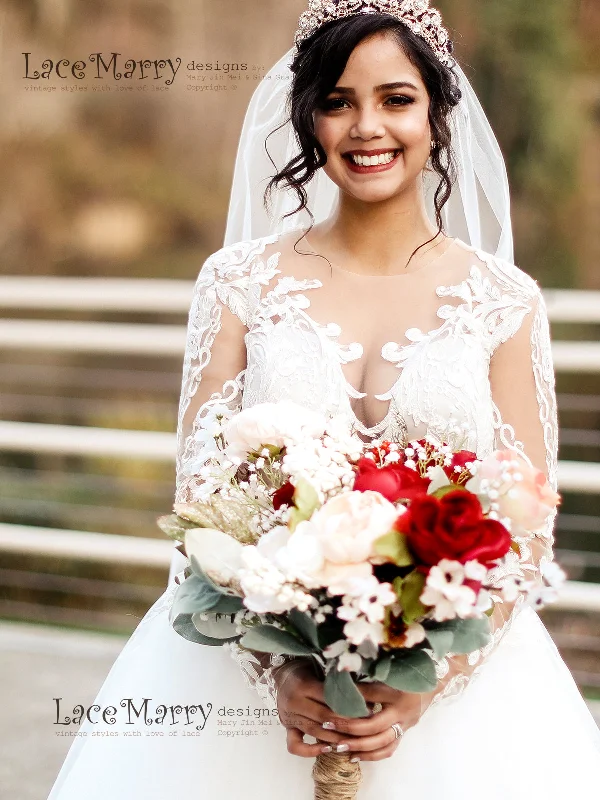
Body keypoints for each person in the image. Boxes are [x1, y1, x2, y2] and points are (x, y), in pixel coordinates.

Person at [48, 3, 600, 798]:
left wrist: (423, 687)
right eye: (337, 101)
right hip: (257, 688)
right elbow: (201, 502)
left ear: (439, 116)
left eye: (396, 99)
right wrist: (276, 670)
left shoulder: (503, 298)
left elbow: (528, 521)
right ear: (308, 117)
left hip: (463, 698)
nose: (366, 126)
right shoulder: (238, 283)